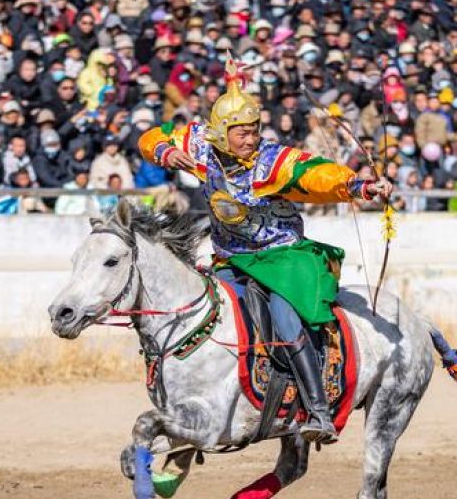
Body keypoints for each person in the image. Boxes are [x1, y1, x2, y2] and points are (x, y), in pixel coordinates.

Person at [139, 60, 392, 445]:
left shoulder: (273, 161)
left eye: (256, 129)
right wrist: (164, 152)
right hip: (230, 256)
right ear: (222, 131)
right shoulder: (199, 144)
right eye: (243, 132)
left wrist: (358, 187)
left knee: (285, 317)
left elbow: (317, 174)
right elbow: (151, 137)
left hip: (282, 258)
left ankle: (318, 409)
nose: (252, 137)